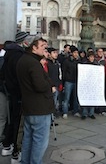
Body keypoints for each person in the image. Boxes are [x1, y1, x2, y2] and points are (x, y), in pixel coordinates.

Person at [16, 34, 55, 164]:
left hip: (29, 108)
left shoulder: (23, 60)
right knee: (40, 141)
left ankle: (25, 162)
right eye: (42, 46)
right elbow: (40, 85)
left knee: (28, 138)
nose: (46, 48)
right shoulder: (33, 63)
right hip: (40, 109)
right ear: (33, 47)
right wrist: (51, 87)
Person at [0, 31, 29, 164]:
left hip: (8, 91)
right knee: (17, 122)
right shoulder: (19, 56)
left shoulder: (8, 54)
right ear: (22, 42)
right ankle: (16, 152)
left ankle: (7, 145)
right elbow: (20, 77)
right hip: (17, 93)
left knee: (9, 119)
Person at [62, 46, 81, 119]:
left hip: (76, 81)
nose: (76, 54)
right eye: (75, 52)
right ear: (72, 53)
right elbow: (64, 71)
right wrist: (64, 80)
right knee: (66, 97)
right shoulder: (67, 61)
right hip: (68, 81)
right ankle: (65, 112)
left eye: (77, 53)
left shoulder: (79, 61)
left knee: (76, 97)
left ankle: (75, 111)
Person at [81, 51, 98, 120]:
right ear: (88, 57)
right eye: (90, 57)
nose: (92, 58)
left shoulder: (96, 64)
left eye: (93, 57)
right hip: (86, 83)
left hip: (93, 83)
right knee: (85, 99)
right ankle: (84, 113)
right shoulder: (84, 64)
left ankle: (91, 113)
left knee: (92, 99)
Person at [95, 48, 106, 116]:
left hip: (103, 81)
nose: (100, 53)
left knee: (103, 95)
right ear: (97, 52)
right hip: (95, 81)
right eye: (99, 51)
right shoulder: (94, 60)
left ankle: (103, 109)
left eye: (101, 51)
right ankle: (96, 109)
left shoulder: (105, 61)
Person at [47, 47, 62, 113]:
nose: (56, 54)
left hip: (56, 84)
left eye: (56, 53)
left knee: (55, 101)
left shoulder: (57, 63)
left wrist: (60, 83)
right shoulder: (47, 63)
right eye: (54, 53)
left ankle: (53, 116)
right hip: (50, 85)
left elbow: (59, 74)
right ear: (49, 54)